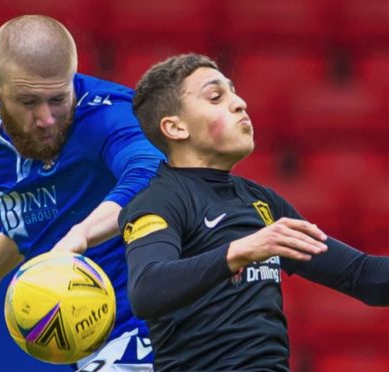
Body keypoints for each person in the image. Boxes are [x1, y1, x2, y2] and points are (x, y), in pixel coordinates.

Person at [118, 53, 389, 371]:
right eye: (216, 97)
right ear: (175, 128)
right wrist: (239, 251)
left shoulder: (261, 202)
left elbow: (364, 277)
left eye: (234, 92)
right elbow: (146, 289)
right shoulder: (159, 201)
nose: (239, 103)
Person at [0, 15, 163, 371]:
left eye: (58, 98)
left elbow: (152, 175)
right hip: (88, 338)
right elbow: (32, 220)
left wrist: (79, 235)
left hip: (158, 325)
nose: (47, 118)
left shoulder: (111, 117)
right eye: (28, 101)